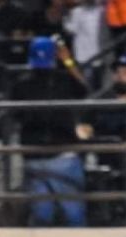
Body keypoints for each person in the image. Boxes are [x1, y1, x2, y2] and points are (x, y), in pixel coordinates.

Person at [11, 36, 88, 227]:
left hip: (54, 157)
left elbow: (83, 90)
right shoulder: (23, 85)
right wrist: (68, 61)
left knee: (60, 216)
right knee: (54, 216)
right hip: (44, 158)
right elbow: (84, 88)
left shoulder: (58, 82)